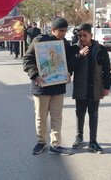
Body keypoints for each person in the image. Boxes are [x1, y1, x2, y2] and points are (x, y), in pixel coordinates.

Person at [23, 17, 73, 156]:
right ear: (53, 30)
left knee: (57, 116)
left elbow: (67, 63)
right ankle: (41, 142)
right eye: (61, 31)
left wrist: (69, 73)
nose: (63, 33)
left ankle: (55, 145)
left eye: (65, 31)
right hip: (41, 87)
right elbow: (27, 60)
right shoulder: (39, 41)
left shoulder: (65, 44)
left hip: (58, 87)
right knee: (41, 117)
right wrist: (35, 75)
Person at [68, 23, 111, 153]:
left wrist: (106, 87)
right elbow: (69, 67)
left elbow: (107, 70)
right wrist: (79, 55)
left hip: (95, 89)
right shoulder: (74, 49)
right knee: (79, 113)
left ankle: (93, 142)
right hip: (80, 88)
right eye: (80, 36)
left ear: (91, 35)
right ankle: (79, 137)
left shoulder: (100, 49)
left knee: (93, 114)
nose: (82, 38)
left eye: (85, 35)